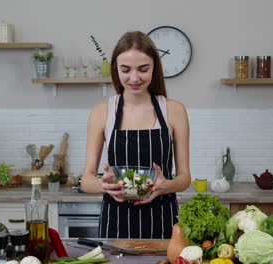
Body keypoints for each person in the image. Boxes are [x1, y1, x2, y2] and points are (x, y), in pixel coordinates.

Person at [81, 31, 191, 239]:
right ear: (116, 69)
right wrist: (103, 185)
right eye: (125, 70)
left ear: (154, 68)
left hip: (163, 221)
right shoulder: (101, 112)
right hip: (115, 224)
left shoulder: (174, 110)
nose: (134, 78)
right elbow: (86, 179)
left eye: (143, 69)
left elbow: (185, 178)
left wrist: (166, 185)